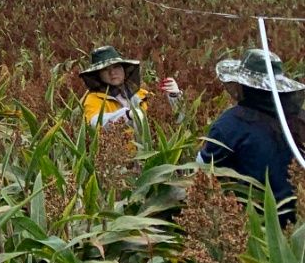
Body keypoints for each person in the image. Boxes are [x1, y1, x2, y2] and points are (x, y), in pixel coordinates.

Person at [199, 48, 303, 221]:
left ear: (244, 86)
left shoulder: (231, 123)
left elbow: (201, 171)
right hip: (298, 221)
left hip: (255, 225)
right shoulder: (299, 120)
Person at [76, 45, 179, 126]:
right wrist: (127, 115)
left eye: (116, 67)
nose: (112, 73)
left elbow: (173, 119)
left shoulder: (142, 94)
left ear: (124, 69)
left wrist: (174, 96)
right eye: (105, 70)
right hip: (120, 152)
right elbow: (95, 122)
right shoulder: (94, 99)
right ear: (97, 74)